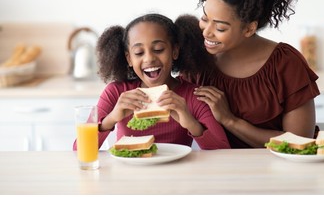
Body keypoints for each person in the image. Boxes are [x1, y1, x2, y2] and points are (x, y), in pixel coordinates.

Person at [180, 0, 320, 148]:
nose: (207, 32)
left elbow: (300, 142)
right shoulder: (195, 58)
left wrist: (230, 120)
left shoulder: (285, 64)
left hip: (276, 175)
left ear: (249, 28)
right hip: (210, 173)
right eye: (204, 18)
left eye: (220, 27)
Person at [73, 13, 230, 150]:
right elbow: (79, 148)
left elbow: (222, 150)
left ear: (174, 51)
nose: (149, 58)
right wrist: (111, 119)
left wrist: (189, 120)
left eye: (158, 49)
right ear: (129, 58)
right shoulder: (116, 92)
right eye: (139, 52)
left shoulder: (192, 95)